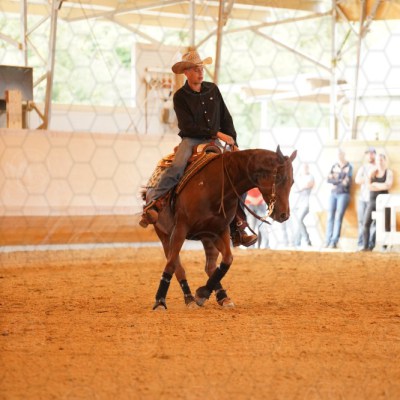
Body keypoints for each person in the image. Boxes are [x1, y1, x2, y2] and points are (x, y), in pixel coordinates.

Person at [139, 49, 257, 247]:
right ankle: (154, 204)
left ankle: (238, 225)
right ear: (186, 72)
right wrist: (217, 134)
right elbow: (187, 126)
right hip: (191, 140)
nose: (200, 72)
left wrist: (234, 142)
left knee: (238, 176)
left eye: (201, 68)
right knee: (177, 167)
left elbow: (226, 117)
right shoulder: (180, 96)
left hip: (215, 142)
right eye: (195, 69)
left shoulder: (213, 90)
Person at [361, 153, 393, 252]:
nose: (379, 162)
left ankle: (385, 246)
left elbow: (388, 185)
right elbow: (368, 186)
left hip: (385, 202)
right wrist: (380, 185)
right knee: (366, 223)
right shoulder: (372, 172)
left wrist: (375, 184)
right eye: (378, 160)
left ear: (385, 161)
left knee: (386, 224)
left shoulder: (389, 172)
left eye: (381, 160)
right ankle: (366, 247)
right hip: (372, 201)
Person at [325, 148, 353, 249]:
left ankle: (334, 241)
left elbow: (347, 182)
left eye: (340, 154)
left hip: (344, 194)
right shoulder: (334, 166)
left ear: (344, 154)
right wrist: (340, 179)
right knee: (330, 217)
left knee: (338, 217)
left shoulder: (349, 166)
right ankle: (327, 241)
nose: (339, 156)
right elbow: (328, 179)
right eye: (337, 154)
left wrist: (335, 179)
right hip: (333, 194)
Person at [355, 147, 376, 250]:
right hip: (362, 199)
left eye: (371, 153)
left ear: (375, 155)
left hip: (373, 199)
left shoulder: (377, 167)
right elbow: (357, 180)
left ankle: (370, 245)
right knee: (361, 222)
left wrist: (366, 179)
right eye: (368, 154)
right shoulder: (363, 168)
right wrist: (368, 178)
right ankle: (361, 244)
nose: (370, 156)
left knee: (373, 223)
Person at [293, 163, 314, 248]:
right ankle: (297, 242)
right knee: (298, 222)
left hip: (306, 203)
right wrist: (301, 187)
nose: (305, 169)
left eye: (306, 167)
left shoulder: (310, 177)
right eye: (304, 167)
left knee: (299, 220)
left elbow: (308, 185)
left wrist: (300, 187)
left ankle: (307, 240)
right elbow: (294, 188)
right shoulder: (298, 177)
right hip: (296, 203)